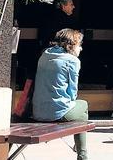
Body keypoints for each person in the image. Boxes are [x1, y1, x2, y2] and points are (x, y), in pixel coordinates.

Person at [32, 29, 89, 160]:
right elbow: (73, 93)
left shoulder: (44, 55)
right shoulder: (72, 60)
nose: (81, 48)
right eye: (79, 45)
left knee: (79, 112)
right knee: (84, 106)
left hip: (37, 110)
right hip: (57, 112)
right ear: (72, 45)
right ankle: (82, 152)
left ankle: (79, 146)